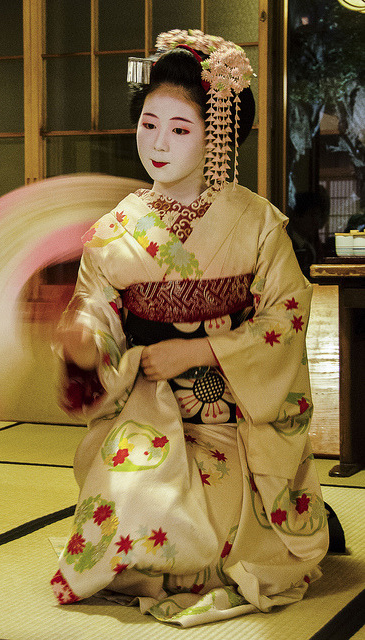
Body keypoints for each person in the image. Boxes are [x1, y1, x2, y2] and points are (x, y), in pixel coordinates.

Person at [50, 29, 329, 627]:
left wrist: (201, 350)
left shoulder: (256, 223)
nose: (158, 143)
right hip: (147, 402)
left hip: (233, 409)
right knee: (131, 496)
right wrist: (85, 339)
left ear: (217, 136)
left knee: (224, 524)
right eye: (149, 123)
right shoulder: (116, 228)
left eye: (180, 129)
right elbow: (96, 307)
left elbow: (286, 314)